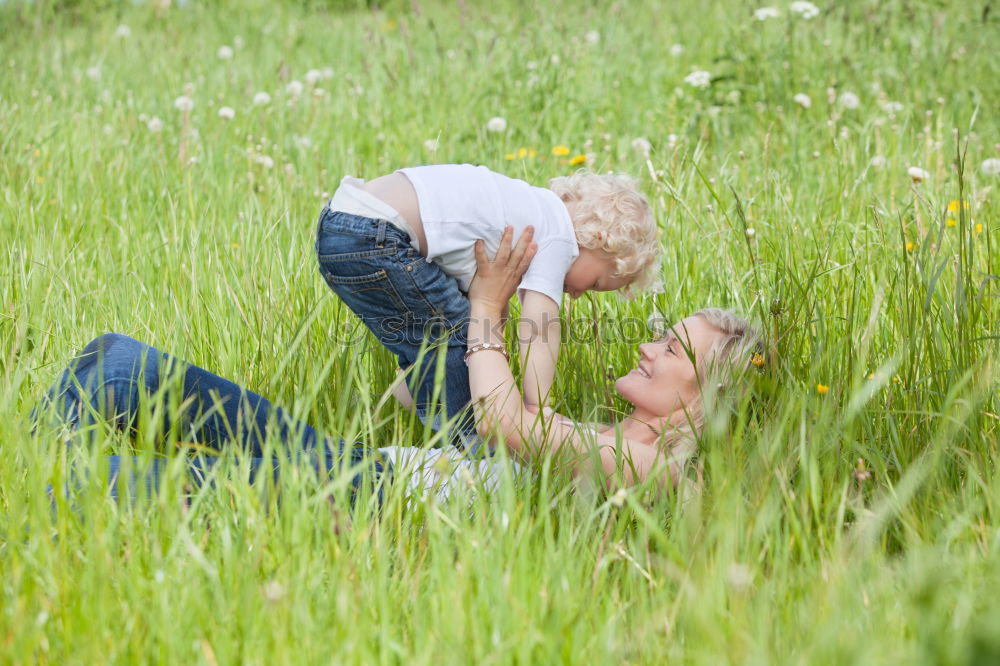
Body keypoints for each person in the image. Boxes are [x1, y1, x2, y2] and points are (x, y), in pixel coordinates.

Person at [35, 228, 758, 502]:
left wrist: (485, 308)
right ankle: (29, 451)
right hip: (373, 466)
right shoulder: (625, 443)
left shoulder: (655, 469)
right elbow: (480, 422)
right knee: (122, 363)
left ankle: (35, 492)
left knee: (150, 487)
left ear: (704, 399)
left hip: (374, 498)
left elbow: (505, 424)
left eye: (670, 349)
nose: (646, 346)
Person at [315, 165, 660, 451]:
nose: (580, 295)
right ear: (598, 240)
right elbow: (539, 328)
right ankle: (472, 444)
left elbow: (489, 307)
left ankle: (404, 402)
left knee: (437, 336)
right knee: (456, 333)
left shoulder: (528, 206)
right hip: (378, 235)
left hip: (343, 223)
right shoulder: (558, 236)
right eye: (597, 283)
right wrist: (536, 408)